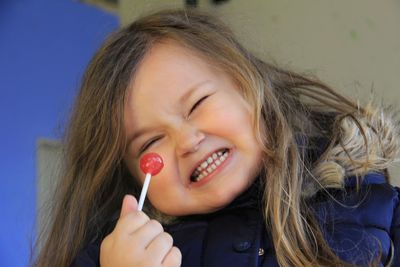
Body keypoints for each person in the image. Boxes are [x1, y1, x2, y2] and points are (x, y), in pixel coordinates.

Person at [33, 9, 400, 267]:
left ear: (250, 89)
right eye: (149, 144)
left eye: (197, 104)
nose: (186, 141)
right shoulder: (113, 258)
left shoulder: (373, 205)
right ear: (131, 178)